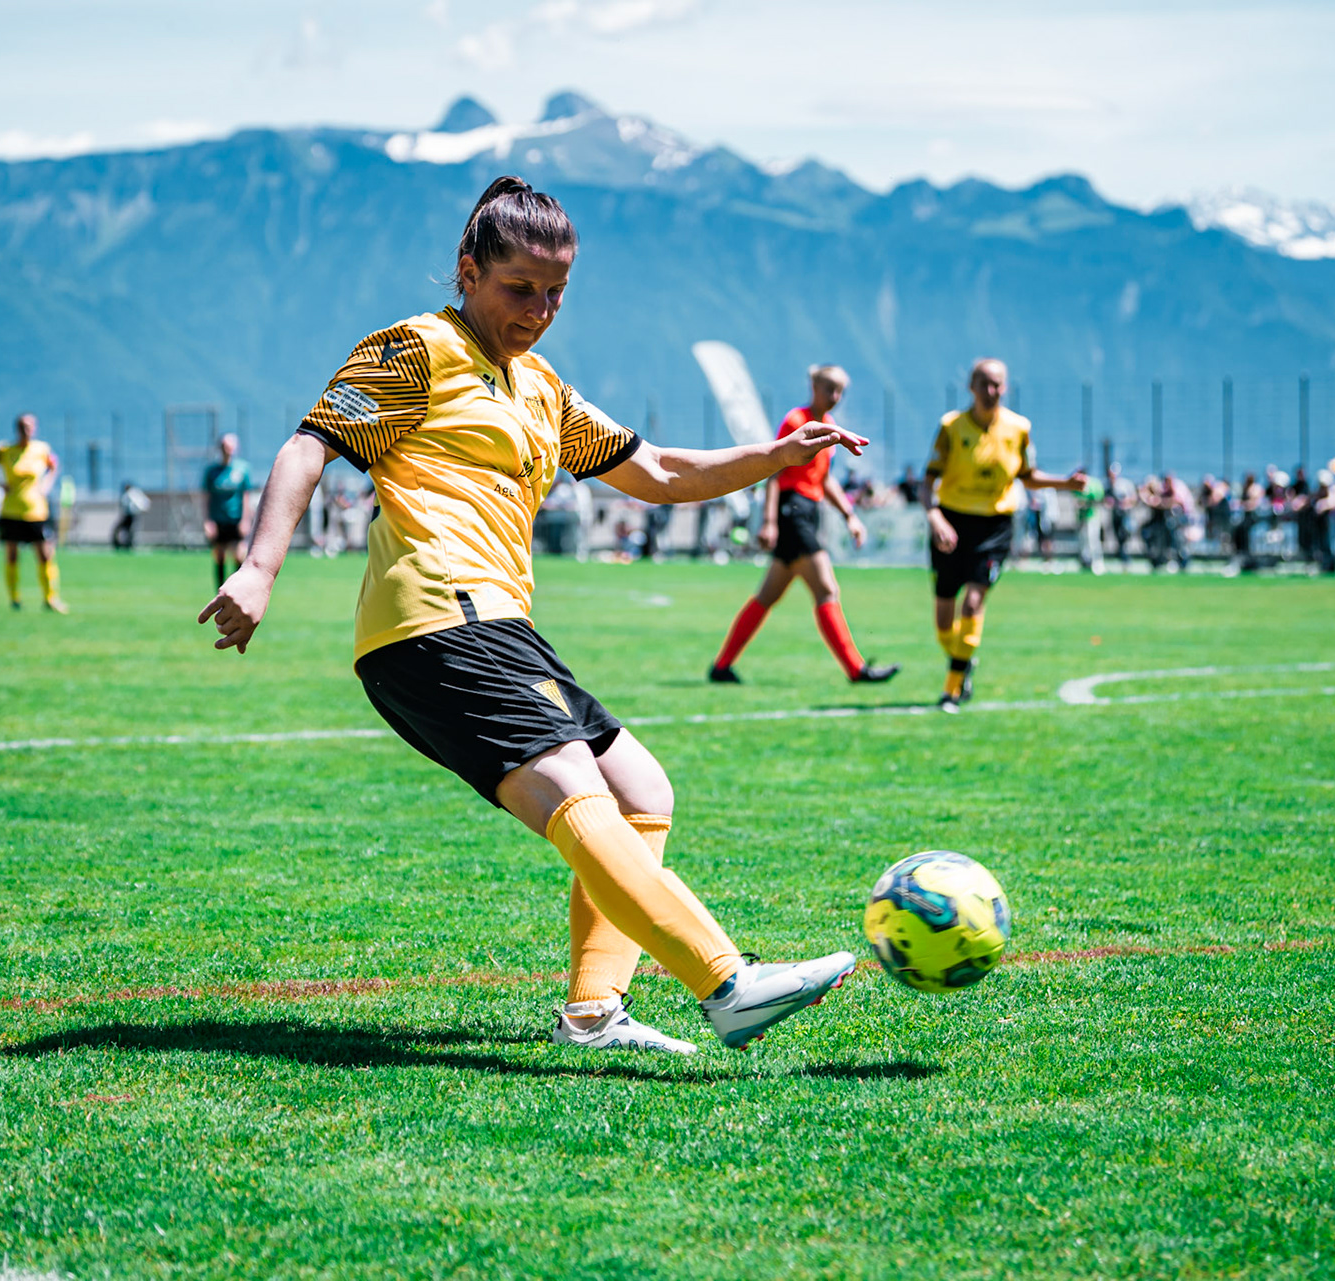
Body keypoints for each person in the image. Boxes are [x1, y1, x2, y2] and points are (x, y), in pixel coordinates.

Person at [198, 176, 859, 1054]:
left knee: (642, 791)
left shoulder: (542, 387)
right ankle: (727, 982)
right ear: (469, 271)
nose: (539, 311)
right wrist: (258, 569)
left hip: (497, 625)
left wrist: (775, 455)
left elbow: (660, 473)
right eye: (520, 288)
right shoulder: (414, 350)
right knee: (579, 787)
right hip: (435, 620)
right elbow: (308, 445)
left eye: (556, 293)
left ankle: (594, 1010)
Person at [707, 364, 899, 686]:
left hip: (806, 511)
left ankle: (721, 666)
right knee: (826, 589)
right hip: (792, 512)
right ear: (814, 388)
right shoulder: (797, 421)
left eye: (840, 391)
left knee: (767, 595)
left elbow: (824, 479)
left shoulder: (830, 426)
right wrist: (769, 521)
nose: (835, 396)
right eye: (829, 389)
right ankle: (856, 670)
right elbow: (774, 470)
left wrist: (849, 515)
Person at [925, 358, 1086, 712]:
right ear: (971, 387)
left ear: (1006, 387)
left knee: (973, 603)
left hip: (994, 526)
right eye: (984, 383)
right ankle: (964, 661)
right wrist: (934, 516)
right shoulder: (951, 427)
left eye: (997, 384)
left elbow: (1028, 476)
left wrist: (1065, 483)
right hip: (951, 523)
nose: (991, 391)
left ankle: (952, 689)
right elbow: (928, 479)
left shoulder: (1019, 428)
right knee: (943, 624)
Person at [0, 413, 66, 613]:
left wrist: (46, 485)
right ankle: (14, 598)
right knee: (12, 555)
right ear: (17, 429)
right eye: (22, 426)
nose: (25, 430)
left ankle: (50, 598)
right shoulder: (5, 450)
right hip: (11, 510)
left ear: (34, 428)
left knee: (45, 555)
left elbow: (54, 466)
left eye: (29, 426)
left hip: (36, 511)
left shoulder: (41, 449)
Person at [201, 433, 254, 588]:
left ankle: (237, 590)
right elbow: (206, 497)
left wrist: (245, 520)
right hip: (218, 519)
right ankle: (220, 591)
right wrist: (207, 521)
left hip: (236, 518)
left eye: (231, 446)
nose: (228, 450)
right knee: (219, 556)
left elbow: (246, 496)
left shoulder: (242, 469)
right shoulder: (212, 471)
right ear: (220, 448)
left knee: (239, 555)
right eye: (225, 446)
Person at [113, 480, 149, 550]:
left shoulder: (132, 493)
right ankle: (124, 544)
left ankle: (127, 545)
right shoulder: (130, 493)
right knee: (125, 530)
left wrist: (142, 508)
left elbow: (139, 502)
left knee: (128, 530)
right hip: (128, 515)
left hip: (131, 515)